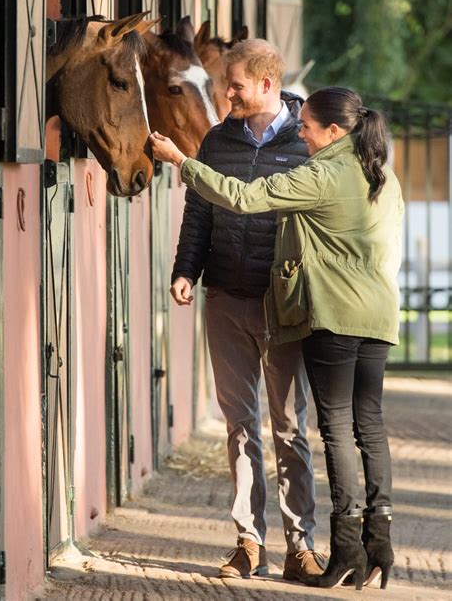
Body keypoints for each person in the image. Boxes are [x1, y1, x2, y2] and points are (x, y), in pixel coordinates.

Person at [150, 85, 403, 591]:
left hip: (333, 317)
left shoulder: (322, 172)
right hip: (379, 315)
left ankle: (348, 547)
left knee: (332, 430)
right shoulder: (383, 172)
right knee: (369, 426)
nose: (301, 132)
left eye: (307, 125)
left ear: (334, 131)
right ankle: (381, 540)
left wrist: (182, 160)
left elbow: (244, 198)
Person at [167, 39, 325, 582]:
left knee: (288, 427)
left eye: (234, 84)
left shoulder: (306, 140)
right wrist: (185, 270)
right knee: (239, 427)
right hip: (226, 298)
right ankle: (248, 543)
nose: (224, 92)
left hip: (282, 307)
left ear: (265, 84)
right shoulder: (217, 139)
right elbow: (199, 213)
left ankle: (301, 546)